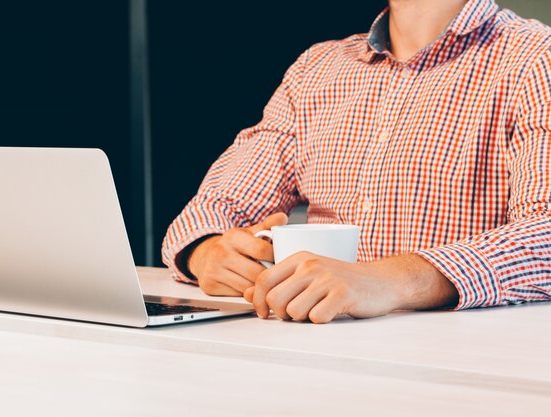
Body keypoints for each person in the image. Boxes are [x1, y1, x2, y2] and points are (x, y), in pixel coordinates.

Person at [162, 0, 551, 323]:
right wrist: (206, 252)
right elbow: (216, 205)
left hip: (462, 367)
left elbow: (545, 236)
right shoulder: (317, 69)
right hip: (312, 351)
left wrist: (391, 280)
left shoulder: (536, 58)